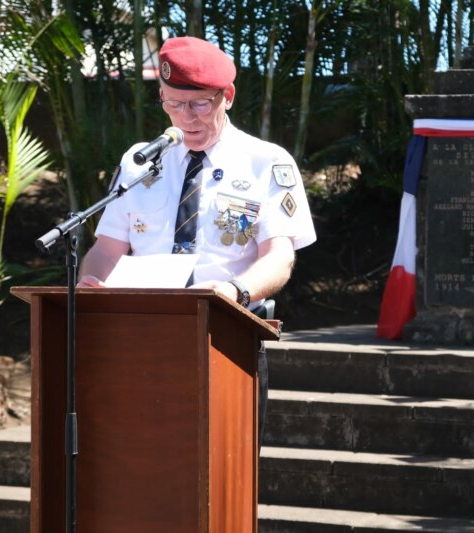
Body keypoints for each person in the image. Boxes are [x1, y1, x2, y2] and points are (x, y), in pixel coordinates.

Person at [77, 36, 317, 444]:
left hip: (227, 339)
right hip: (141, 339)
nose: (185, 118)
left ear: (228, 96)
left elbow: (280, 256)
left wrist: (233, 290)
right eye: (172, 104)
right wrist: (90, 287)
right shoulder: (140, 161)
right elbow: (106, 248)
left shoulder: (266, 162)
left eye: (199, 104)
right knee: (140, 464)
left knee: (224, 477)